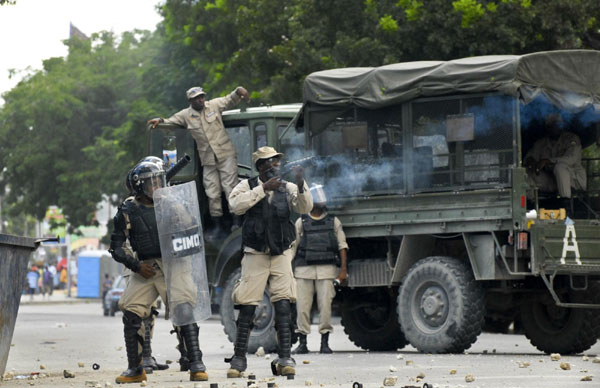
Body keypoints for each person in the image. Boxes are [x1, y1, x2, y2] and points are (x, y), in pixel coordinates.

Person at [109, 159, 207, 384]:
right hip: (145, 267)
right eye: (152, 183)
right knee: (131, 311)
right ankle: (135, 367)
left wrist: (173, 203)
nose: (157, 186)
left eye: (158, 181)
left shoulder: (171, 202)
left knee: (183, 307)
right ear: (140, 186)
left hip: (174, 264)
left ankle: (195, 364)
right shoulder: (128, 210)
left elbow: (191, 228)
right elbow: (116, 247)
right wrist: (136, 266)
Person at [225, 146, 313, 378]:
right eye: (269, 162)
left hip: (281, 252)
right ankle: (239, 359)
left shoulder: (289, 187)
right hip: (256, 253)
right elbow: (235, 206)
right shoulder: (247, 185)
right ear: (260, 167)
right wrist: (263, 189)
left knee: (284, 304)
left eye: (276, 161)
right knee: (247, 306)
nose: (275, 165)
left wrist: (302, 182)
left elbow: (306, 207)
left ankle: (285, 357)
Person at [148, 86, 250, 237]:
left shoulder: (214, 105)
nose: (200, 100)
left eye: (202, 96)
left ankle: (236, 221)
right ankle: (218, 226)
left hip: (225, 154)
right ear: (190, 101)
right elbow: (171, 121)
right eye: (196, 98)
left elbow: (229, 100)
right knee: (212, 191)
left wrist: (238, 92)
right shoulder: (186, 115)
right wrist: (160, 120)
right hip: (207, 159)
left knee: (230, 187)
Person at [292, 185, 348, 354]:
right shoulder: (301, 222)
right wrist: (287, 271)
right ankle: (303, 342)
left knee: (325, 308)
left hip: (326, 270)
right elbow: (293, 247)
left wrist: (343, 270)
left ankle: (325, 342)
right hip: (304, 270)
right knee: (302, 308)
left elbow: (342, 246)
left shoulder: (333, 221)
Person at [525, 113, 587, 199]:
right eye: (551, 125)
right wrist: (532, 162)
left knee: (559, 167)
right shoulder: (542, 143)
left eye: (557, 124)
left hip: (574, 179)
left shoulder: (572, 139)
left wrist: (547, 161)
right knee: (527, 172)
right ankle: (531, 203)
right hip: (553, 181)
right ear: (547, 127)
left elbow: (571, 159)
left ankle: (565, 201)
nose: (555, 127)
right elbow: (530, 157)